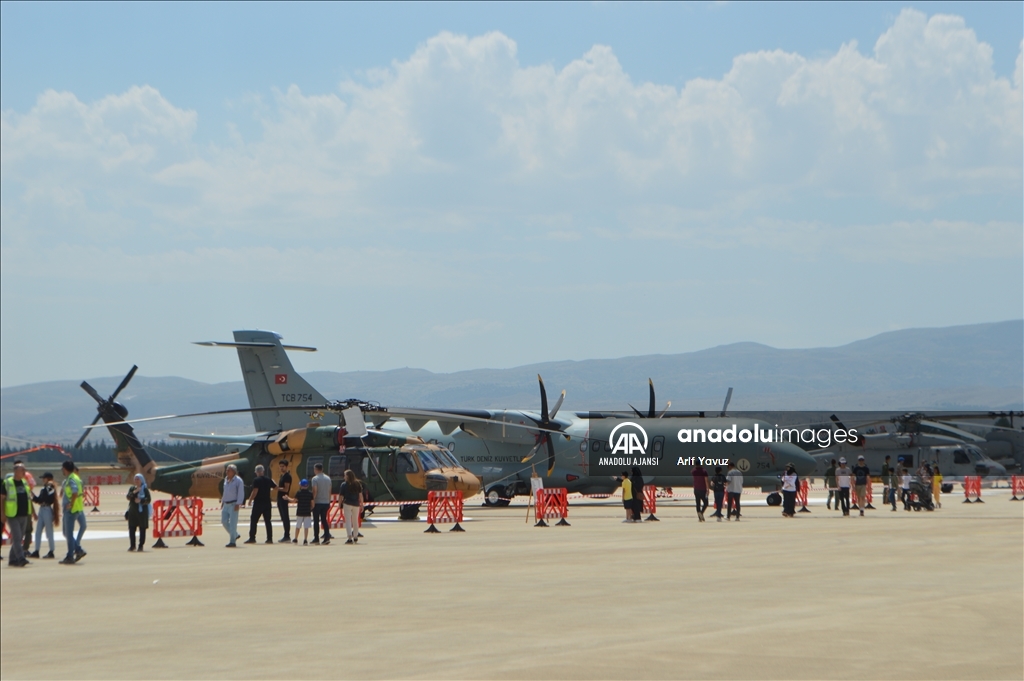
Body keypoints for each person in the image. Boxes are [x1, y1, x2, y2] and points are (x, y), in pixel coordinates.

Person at [1, 463, 35, 567]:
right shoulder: (7, 483)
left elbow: (29, 498)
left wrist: (32, 513)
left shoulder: (24, 483)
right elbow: (1, 499)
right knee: (16, 536)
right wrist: (2, 513)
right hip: (12, 514)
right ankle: (20, 558)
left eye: (25, 470)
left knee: (19, 537)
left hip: (24, 513)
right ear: (16, 471)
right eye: (22, 470)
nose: (24, 472)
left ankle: (12, 559)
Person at [60, 461, 87, 564]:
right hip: (76, 508)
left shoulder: (71, 479)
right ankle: (77, 550)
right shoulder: (76, 478)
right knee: (67, 533)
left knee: (68, 533)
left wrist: (71, 503)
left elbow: (75, 492)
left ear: (65, 469)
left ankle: (71, 555)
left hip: (71, 510)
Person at [30, 472, 59, 559]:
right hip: (42, 509)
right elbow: (39, 500)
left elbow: (49, 498)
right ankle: (36, 550)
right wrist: (32, 495)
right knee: (38, 531)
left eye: (44, 478)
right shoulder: (45, 488)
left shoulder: (50, 487)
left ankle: (51, 551)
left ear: (48, 478)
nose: (43, 479)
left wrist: (39, 499)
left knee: (49, 531)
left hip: (46, 509)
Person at [245, 465, 276, 544]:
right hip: (267, 503)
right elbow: (275, 487)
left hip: (258, 503)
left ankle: (252, 538)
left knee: (254, 520)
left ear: (256, 472)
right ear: (263, 471)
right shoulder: (268, 479)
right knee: (267, 521)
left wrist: (250, 500)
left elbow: (255, 491)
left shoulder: (256, 480)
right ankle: (269, 538)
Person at [125, 473, 152, 552]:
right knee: (132, 529)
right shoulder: (132, 488)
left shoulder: (145, 489)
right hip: (133, 512)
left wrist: (141, 501)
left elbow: (148, 500)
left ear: (141, 480)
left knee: (142, 529)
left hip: (142, 513)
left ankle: (141, 545)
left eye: (138, 479)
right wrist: (135, 491)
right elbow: (128, 497)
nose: (136, 481)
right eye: (135, 479)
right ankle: (132, 545)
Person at [221, 464, 244, 547]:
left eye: (228, 470)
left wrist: (238, 503)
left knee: (233, 523)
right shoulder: (226, 480)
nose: (226, 472)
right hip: (226, 504)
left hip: (233, 504)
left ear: (233, 472)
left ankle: (232, 542)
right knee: (224, 521)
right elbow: (225, 492)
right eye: (226, 470)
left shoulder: (238, 481)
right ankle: (235, 534)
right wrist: (222, 501)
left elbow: (241, 493)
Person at [310, 463, 333, 545]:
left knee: (316, 520)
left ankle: (316, 537)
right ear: (322, 469)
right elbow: (329, 491)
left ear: (315, 469)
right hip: (326, 501)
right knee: (324, 520)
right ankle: (327, 536)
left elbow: (314, 491)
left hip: (317, 502)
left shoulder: (315, 479)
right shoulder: (328, 478)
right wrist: (329, 501)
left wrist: (312, 501)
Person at [339, 470, 363, 544]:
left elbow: (341, 496)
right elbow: (360, 495)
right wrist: (361, 504)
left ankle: (349, 537)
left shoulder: (344, 485)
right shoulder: (357, 484)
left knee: (348, 521)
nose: (344, 477)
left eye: (345, 475)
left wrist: (340, 504)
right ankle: (355, 536)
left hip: (347, 504)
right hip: (356, 504)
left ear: (348, 476)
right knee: (355, 521)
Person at [291, 479, 314, 544]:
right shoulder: (310, 493)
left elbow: (294, 501)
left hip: (300, 512)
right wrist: (311, 508)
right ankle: (305, 539)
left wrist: (287, 498)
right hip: (307, 512)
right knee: (306, 527)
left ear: (301, 485)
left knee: (298, 526)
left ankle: (295, 538)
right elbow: (312, 503)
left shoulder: (299, 493)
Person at [276, 459, 293, 543]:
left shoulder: (287, 476)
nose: (281, 468)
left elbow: (286, 489)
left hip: (284, 498)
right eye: (280, 467)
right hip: (280, 498)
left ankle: (287, 535)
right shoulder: (282, 476)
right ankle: (286, 534)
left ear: (286, 467)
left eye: (283, 466)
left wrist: (277, 488)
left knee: (285, 517)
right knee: (283, 517)